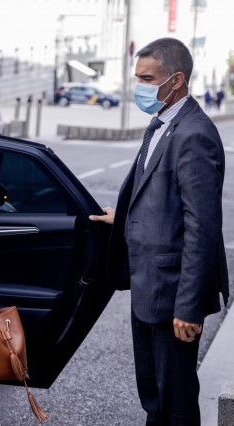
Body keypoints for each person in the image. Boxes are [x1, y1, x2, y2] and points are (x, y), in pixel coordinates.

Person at [90, 38, 228, 425]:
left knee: (176, 402)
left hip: (173, 296)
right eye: (137, 78)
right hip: (150, 288)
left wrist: (189, 307)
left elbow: (202, 226)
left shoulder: (194, 134)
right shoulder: (163, 124)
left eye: (147, 79)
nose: (140, 88)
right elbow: (165, 199)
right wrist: (125, 216)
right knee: (154, 397)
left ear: (177, 80)